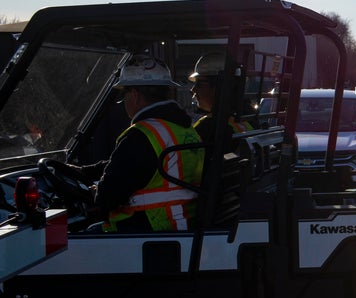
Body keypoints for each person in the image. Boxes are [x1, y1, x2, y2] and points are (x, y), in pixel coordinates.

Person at [78, 55, 204, 232]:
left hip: (149, 230)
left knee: (83, 236)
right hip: (182, 223)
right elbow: (144, 166)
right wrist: (85, 172)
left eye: (124, 95)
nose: (124, 102)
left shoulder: (140, 135)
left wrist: (94, 190)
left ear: (134, 94)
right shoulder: (184, 129)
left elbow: (107, 198)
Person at [190, 52, 253, 153]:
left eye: (199, 84)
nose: (193, 90)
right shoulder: (247, 119)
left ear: (218, 87)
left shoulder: (209, 128)